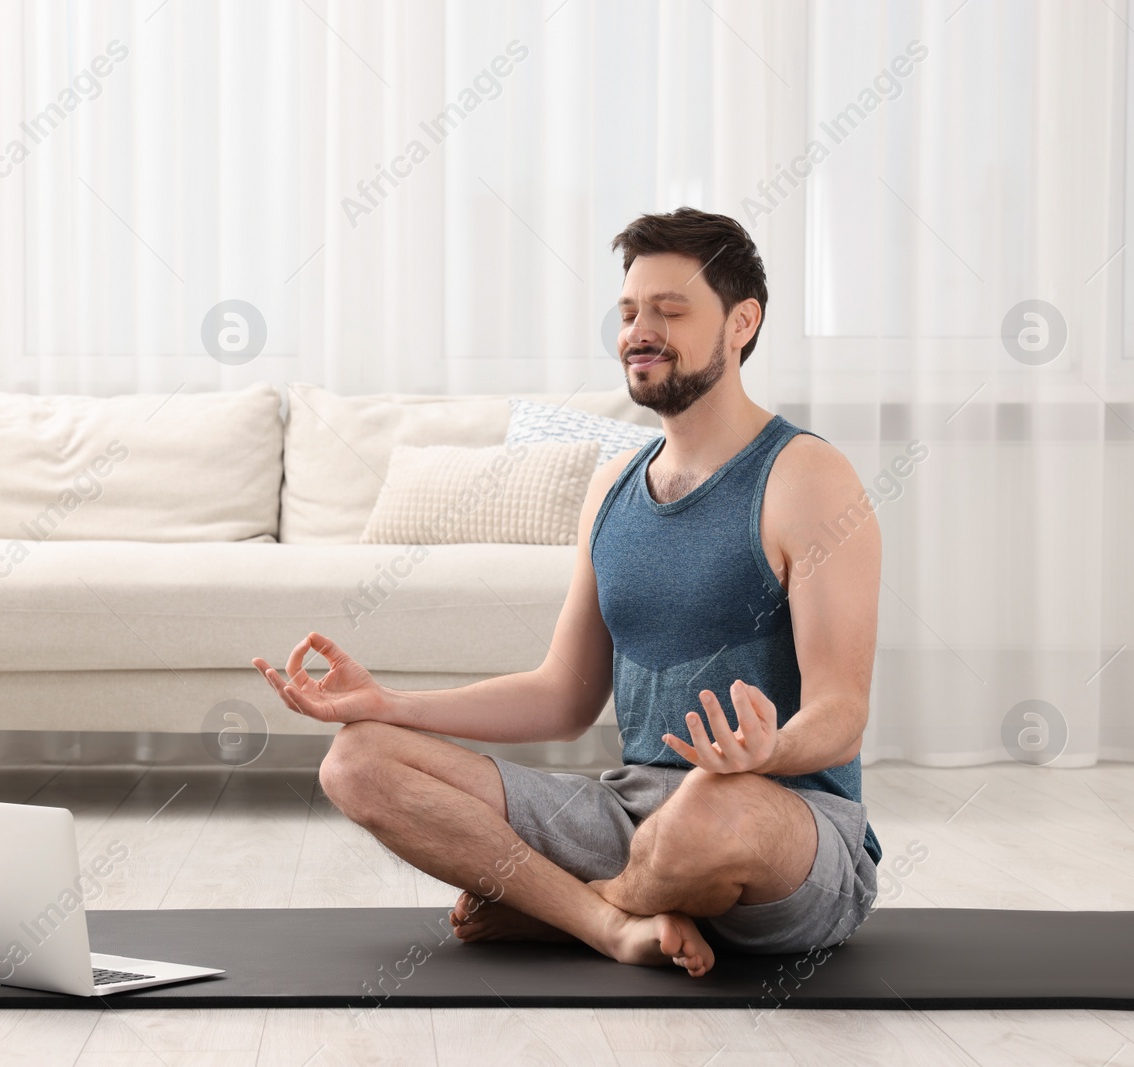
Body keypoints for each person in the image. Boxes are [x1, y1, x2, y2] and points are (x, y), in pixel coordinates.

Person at [253, 208, 881, 976]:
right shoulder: (614, 487)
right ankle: (607, 921)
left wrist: (769, 748)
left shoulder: (808, 478)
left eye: (670, 310)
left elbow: (843, 715)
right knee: (355, 762)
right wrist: (386, 703)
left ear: (742, 322)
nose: (639, 330)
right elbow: (561, 695)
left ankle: (569, 904)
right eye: (628, 312)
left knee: (710, 805)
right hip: (632, 808)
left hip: (783, 828)